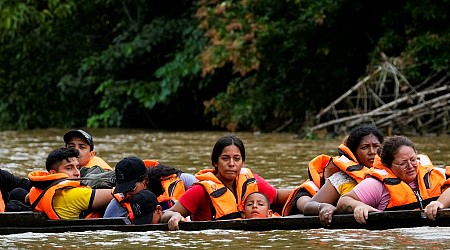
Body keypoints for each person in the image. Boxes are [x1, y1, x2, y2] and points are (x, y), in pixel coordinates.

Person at [161, 135, 292, 230]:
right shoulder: (200, 191)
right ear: (215, 162)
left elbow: (278, 196)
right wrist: (176, 215)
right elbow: (167, 213)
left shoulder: (253, 181)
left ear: (242, 162)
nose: (231, 164)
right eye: (225, 158)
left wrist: (308, 192)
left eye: (236, 159)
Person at [336, 135, 445, 224]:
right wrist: (359, 206)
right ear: (388, 165)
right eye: (403, 163)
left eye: (413, 160)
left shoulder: (434, 174)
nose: (411, 166)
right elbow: (343, 201)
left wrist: (440, 203)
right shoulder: (376, 185)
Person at [301, 124, 384, 226]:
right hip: (352, 232)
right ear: (354, 153)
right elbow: (309, 206)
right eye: (364, 147)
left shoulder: (393, 172)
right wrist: (323, 207)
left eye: (376, 146)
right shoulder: (341, 178)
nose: (372, 152)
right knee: (300, 199)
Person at [27, 147, 114, 219]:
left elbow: (27, 198)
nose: (77, 173)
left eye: (78, 167)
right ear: (53, 173)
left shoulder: (35, 191)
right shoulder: (75, 195)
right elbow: (118, 193)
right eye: (69, 168)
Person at [103, 157, 196, 221]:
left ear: (145, 180)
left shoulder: (182, 180)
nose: (127, 195)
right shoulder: (117, 206)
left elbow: (203, 190)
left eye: (131, 189)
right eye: (123, 190)